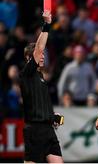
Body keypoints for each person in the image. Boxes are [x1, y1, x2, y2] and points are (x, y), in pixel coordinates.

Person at [19, 11, 63, 163]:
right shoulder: (27, 74)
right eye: (39, 54)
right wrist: (47, 25)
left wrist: (51, 116)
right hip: (34, 131)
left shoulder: (40, 77)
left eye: (44, 54)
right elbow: (38, 48)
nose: (43, 56)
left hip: (48, 130)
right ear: (28, 59)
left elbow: (40, 103)